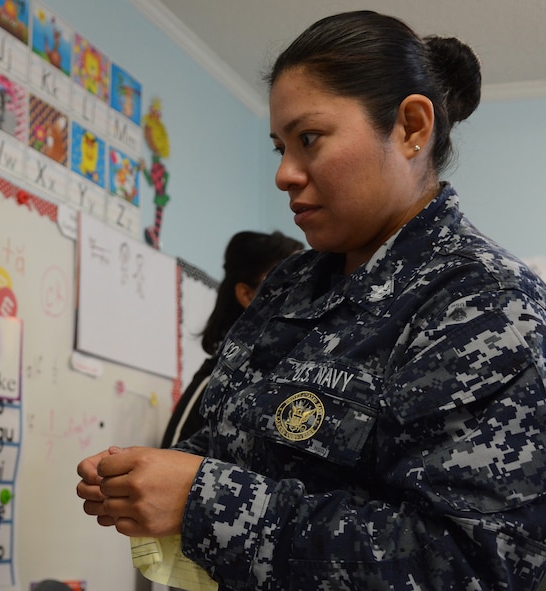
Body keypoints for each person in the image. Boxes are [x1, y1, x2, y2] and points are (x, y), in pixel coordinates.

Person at [76, 11, 546, 590]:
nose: (283, 174)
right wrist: (151, 474)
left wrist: (205, 501)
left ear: (410, 128)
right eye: (279, 147)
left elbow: (473, 566)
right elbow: (247, 439)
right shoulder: (290, 284)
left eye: (309, 139)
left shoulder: (487, 305)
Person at [161, 230, 302, 448]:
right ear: (247, 295)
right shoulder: (217, 380)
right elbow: (165, 462)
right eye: (289, 284)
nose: (305, 297)